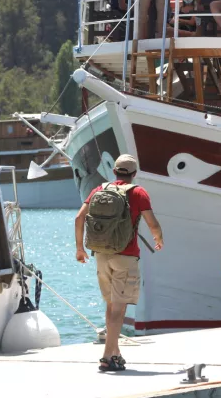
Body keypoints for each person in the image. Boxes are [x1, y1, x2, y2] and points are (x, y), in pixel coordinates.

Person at [74, 154, 163, 372]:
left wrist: (79, 248)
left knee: (111, 305)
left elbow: (79, 218)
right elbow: (152, 223)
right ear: (134, 174)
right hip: (126, 255)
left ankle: (115, 352)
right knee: (119, 308)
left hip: (101, 254)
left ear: (114, 172)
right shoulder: (138, 192)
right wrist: (159, 237)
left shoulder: (99, 190)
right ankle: (107, 357)